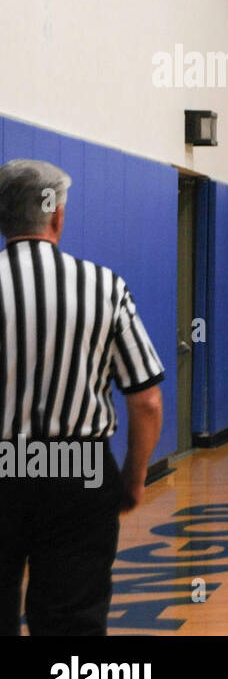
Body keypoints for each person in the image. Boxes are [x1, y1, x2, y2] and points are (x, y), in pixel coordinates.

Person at [0, 159, 164, 636]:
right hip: (77, 467)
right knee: (71, 617)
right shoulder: (104, 288)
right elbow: (146, 400)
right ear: (57, 217)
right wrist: (134, 478)